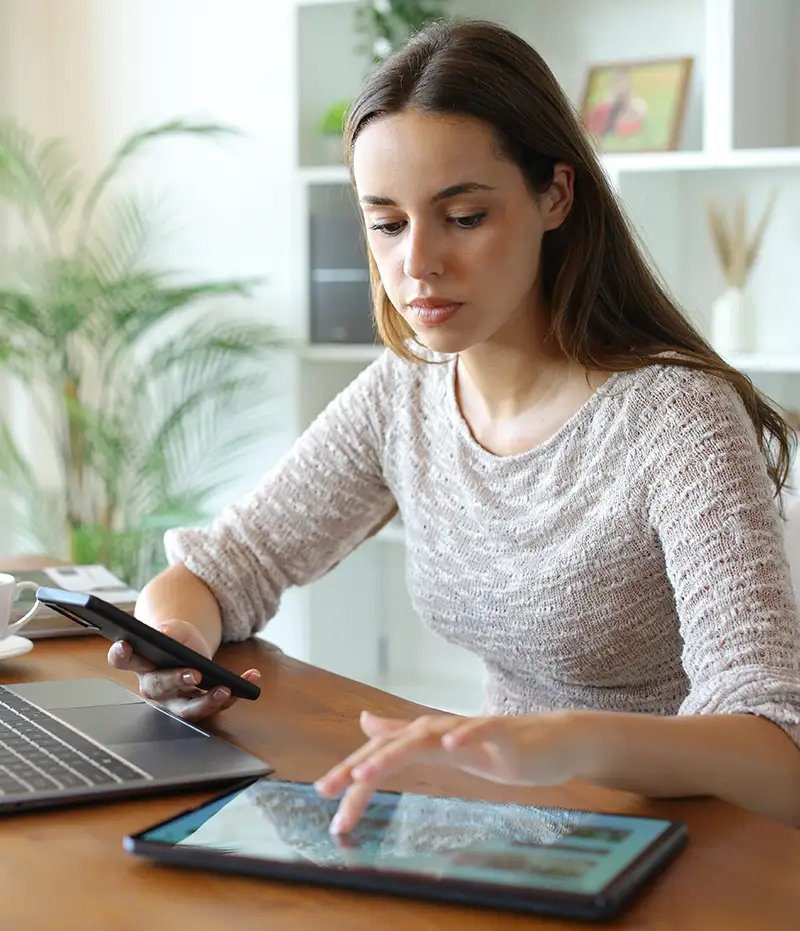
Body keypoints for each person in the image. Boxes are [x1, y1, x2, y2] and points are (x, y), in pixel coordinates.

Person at [109, 19, 800, 833]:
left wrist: (564, 740)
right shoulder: (406, 392)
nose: (418, 263)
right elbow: (226, 565)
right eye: (387, 223)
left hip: (698, 845)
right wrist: (175, 644)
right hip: (521, 826)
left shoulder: (676, 417)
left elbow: (775, 749)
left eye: (464, 216)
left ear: (555, 195)